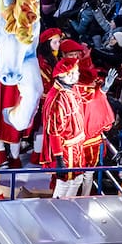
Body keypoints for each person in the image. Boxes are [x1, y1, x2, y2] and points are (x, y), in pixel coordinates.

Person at [40, 57, 87, 197]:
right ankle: (58, 207)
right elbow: (54, 132)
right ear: (68, 75)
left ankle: (69, 205)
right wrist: (59, 159)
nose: (78, 74)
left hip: (76, 146)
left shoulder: (70, 90)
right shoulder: (58, 100)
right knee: (65, 182)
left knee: (77, 180)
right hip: (67, 150)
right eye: (76, 72)